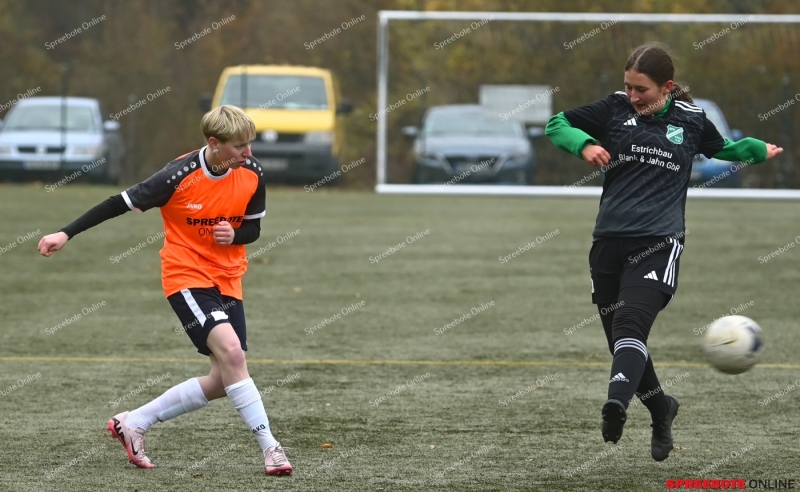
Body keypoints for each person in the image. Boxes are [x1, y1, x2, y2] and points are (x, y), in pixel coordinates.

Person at [545, 43, 782, 461]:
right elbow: (556, 123)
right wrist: (583, 145)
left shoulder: (692, 120)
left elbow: (724, 149)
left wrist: (756, 150)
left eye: (642, 89)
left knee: (630, 326)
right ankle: (661, 408)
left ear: (667, 87)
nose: (633, 96)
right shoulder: (614, 108)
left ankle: (615, 403)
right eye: (628, 86)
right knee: (620, 340)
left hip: (659, 242)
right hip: (608, 242)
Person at [37, 105, 293, 476]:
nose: (248, 153)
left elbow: (253, 230)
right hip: (186, 275)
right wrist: (65, 233)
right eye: (240, 146)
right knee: (234, 354)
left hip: (229, 278)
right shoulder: (177, 175)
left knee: (223, 379)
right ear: (214, 143)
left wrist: (235, 234)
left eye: (249, 144)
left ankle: (135, 422)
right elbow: (118, 203)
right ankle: (271, 449)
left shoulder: (252, 173)